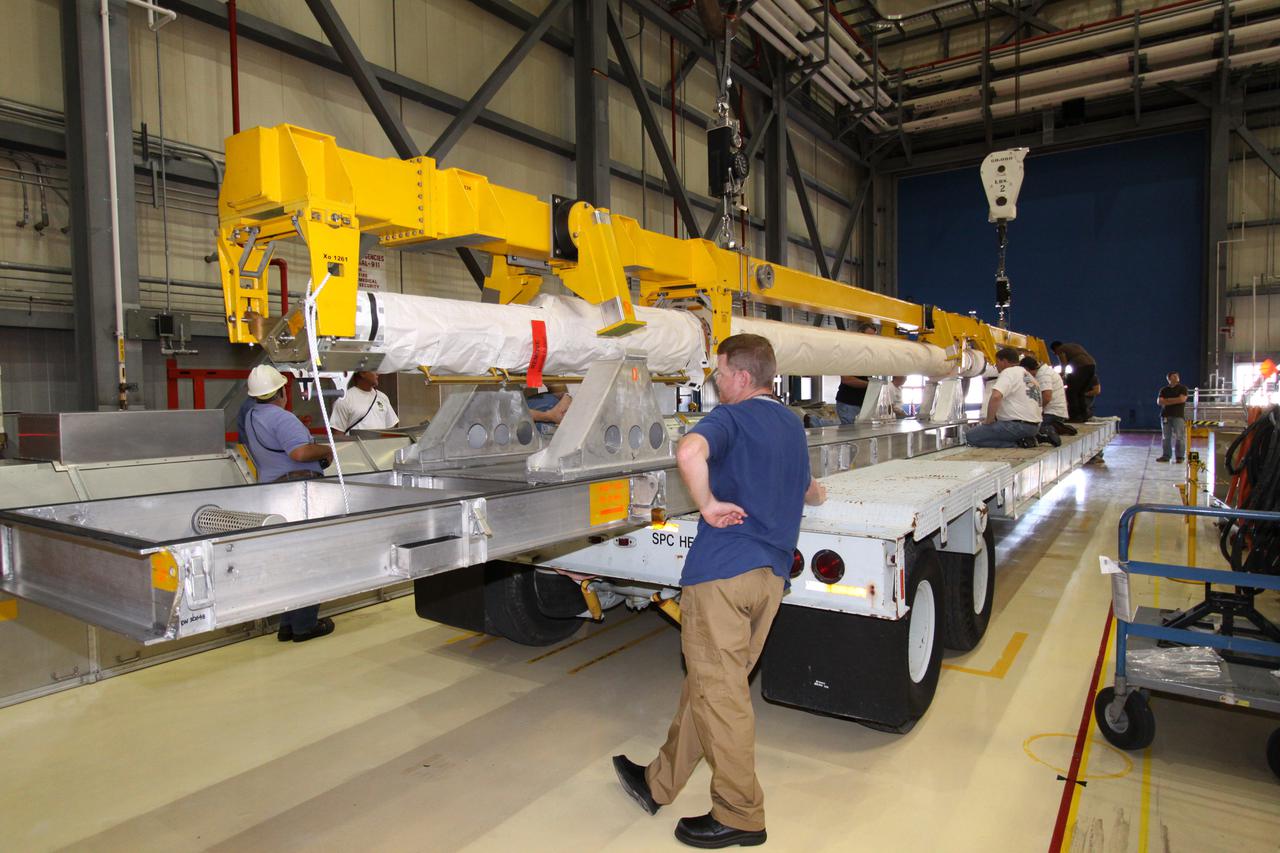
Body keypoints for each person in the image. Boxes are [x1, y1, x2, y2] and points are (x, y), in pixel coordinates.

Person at [612, 334, 827, 849]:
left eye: (719, 371)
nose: (715, 380)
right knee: (713, 686)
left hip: (723, 576)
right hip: (769, 580)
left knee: (721, 696)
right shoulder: (791, 426)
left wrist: (706, 502)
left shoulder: (730, 418)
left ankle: (740, 815)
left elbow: (689, 451)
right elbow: (810, 490)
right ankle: (658, 781)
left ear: (740, 376)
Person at [240, 364, 337, 643]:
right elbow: (299, 452)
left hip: (273, 492)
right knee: (309, 556)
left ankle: (287, 623)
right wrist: (326, 450)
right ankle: (305, 625)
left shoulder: (251, 416)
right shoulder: (282, 418)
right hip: (298, 491)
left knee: (288, 558)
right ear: (281, 391)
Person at [966, 347, 1043, 448]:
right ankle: (1029, 439)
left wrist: (989, 420)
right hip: (1034, 427)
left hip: (1017, 426)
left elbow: (996, 397)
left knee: (971, 436)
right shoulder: (1027, 375)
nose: (995, 365)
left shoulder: (1008, 372)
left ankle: (1018, 444)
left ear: (1004, 361)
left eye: (997, 362)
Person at [835, 322, 881, 423]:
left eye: (873, 337)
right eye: (868, 336)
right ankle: (814, 421)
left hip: (862, 404)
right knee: (849, 434)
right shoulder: (849, 353)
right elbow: (846, 379)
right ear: (859, 335)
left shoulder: (866, 356)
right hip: (849, 403)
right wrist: (871, 385)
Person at [331, 371, 398, 433]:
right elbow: (338, 432)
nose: (378, 373)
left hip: (382, 445)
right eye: (374, 369)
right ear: (362, 373)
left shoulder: (382, 397)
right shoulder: (345, 399)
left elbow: (391, 427)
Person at [1021, 355, 1068, 443]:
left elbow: (1047, 396)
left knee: (1026, 428)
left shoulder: (1043, 375)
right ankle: (1055, 427)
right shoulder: (1045, 371)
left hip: (1051, 413)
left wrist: (1035, 411)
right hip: (1056, 412)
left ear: (1026, 369)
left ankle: (1047, 428)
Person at [1050, 340, 1097, 422]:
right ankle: (1084, 415)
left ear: (1055, 349)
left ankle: (1074, 417)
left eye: (1055, 353)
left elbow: (1063, 363)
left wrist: (1061, 375)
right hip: (1092, 365)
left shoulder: (1061, 349)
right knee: (1081, 392)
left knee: (1071, 392)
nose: (1056, 354)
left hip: (1081, 366)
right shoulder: (1074, 345)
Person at [1156, 371, 1189, 463]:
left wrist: (1167, 400)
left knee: (1179, 436)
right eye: (1174, 376)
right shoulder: (1164, 390)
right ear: (1169, 378)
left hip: (1178, 416)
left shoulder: (1182, 388)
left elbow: (1182, 399)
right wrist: (1175, 400)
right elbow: (1159, 401)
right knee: (1166, 437)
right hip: (1165, 416)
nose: (1176, 378)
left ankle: (1180, 457)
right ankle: (1166, 456)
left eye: (1177, 376)